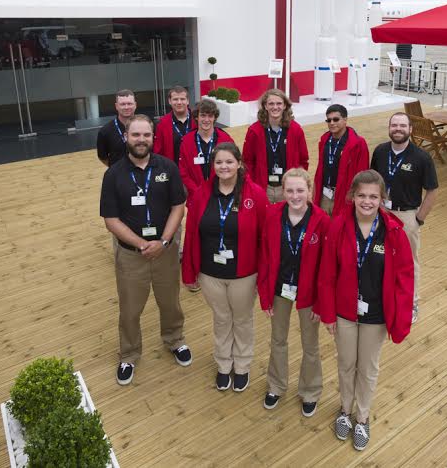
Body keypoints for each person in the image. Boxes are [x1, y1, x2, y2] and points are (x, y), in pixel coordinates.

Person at [317, 170, 413, 452]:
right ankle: (345, 410)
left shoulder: (394, 231)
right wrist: (328, 313)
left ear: (382, 199)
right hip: (344, 312)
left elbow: (405, 277)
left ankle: (362, 416)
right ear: (352, 197)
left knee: (368, 368)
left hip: (377, 315)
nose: (367, 201)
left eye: (373, 196)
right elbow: (327, 273)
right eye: (362, 195)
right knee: (346, 364)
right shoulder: (337, 226)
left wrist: (401, 317)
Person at [100, 115, 192, 386]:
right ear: (126, 137)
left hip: (165, 251)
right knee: (130, 309)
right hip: (131, 255)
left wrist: (163, 241)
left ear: (153, 138)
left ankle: (175, 340)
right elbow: (110, 220)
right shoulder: (113, 174)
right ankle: (128, 354)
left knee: (170, 301)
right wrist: (142, 244)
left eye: (146, 135)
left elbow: (178, 207)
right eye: (136, 135)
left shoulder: (168, 168)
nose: (141, 140)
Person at [182, 143, 267, 393]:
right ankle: (223, 363)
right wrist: (189, 271)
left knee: (242, 320)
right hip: (210, 274)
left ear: (239, 164)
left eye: (229, 161)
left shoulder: (256, 195)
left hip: (245, 274)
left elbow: (265, 239)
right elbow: (191, 235)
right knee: (221, 319)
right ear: (213, 166)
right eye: (219, 162)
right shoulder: (201, 194)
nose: (224, 167)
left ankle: (241, 365)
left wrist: (264, 276)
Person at [257, 168, 329, 417]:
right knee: (278, 339)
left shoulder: (322, 221)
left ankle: (310, 391)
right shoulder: (272, 215)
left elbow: (326, 267)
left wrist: (321, 304)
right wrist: (265, 296)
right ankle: (276, 385)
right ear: (283, 191)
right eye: (290, 190)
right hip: (280, 290)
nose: (295, 195)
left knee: (310, 344)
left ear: (310, 191)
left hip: (309, 294)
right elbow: (265, 258)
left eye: (300, 190)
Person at [369, 113, 439, 324]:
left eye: (402, 126)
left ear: (410, 130)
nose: (397, 129)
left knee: (409, 262)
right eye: (394, 125)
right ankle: (381, 297)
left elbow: (432, 191)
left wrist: (418, 219)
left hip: (406, 216)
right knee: (378, 257)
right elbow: (373, 181)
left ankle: (412, 302)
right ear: (389, 128)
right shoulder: (380, 151)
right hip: (381, 214)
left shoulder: (422, 158)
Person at [242, 89, 309, 204]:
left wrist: (297, 183)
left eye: (279, 103)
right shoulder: (254, 131)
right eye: (271, 104)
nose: (275, 107)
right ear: (265, 106)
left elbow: (303, 160)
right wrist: (253, 185)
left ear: (285, 106)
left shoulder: (296, 129)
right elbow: (247, 161)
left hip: (288, 188)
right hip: (263, 187)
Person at [312, 104, 369, 217]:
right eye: (329, 120)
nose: (332, 123)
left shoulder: (358, 144)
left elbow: (363, 174)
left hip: (344, 197)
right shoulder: (324, 140)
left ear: (345, 120)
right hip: (324, 195)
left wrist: (357, 197)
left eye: (336, 119)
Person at [177, 99, 234, 200]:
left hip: (221, 195)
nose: (206, 120)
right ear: (196, 117)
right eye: (203, 115)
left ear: (214, 118)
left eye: (210, 116)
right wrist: (197, 192)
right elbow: (183, 172)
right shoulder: (186, 141)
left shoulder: (225, 139)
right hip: (195, 196)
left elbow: (232, 167)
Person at [153, 86, 195, 164]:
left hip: (195, 169)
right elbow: (158, 151)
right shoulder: (162, 123)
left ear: (188, 101)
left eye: (182, 99)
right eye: (175, 99)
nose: (179, 102)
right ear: (169, 101)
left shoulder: (197, 120)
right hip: (172, 170)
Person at [97, 89, 137, 166]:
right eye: (122, 104)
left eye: (129, 103)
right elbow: (102, 157)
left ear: (135, 105)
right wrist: (116, 169)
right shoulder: (105, 131)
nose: (126, 107)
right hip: (118, 176)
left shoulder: (147, 126)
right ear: (116, 106)